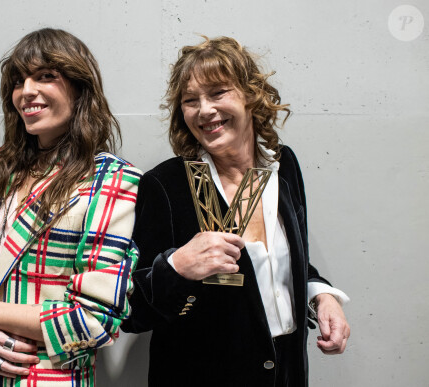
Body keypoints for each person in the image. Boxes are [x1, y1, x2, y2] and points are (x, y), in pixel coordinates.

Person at [121, 36, 350, 386]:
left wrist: (322, 295)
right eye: (190, 101)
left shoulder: (282, 166)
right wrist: (177, 268)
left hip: (285, 373)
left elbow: (289, 262)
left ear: (250, 95)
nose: (204, 110)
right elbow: (130, 311)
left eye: (217, 93)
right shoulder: (167, 184)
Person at [0, 28, 142, 387]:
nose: (26, 91)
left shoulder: (111, 180)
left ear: (80, 87)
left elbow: (96, 319)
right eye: (18, 81)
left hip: (47, 378)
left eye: (46, 76)